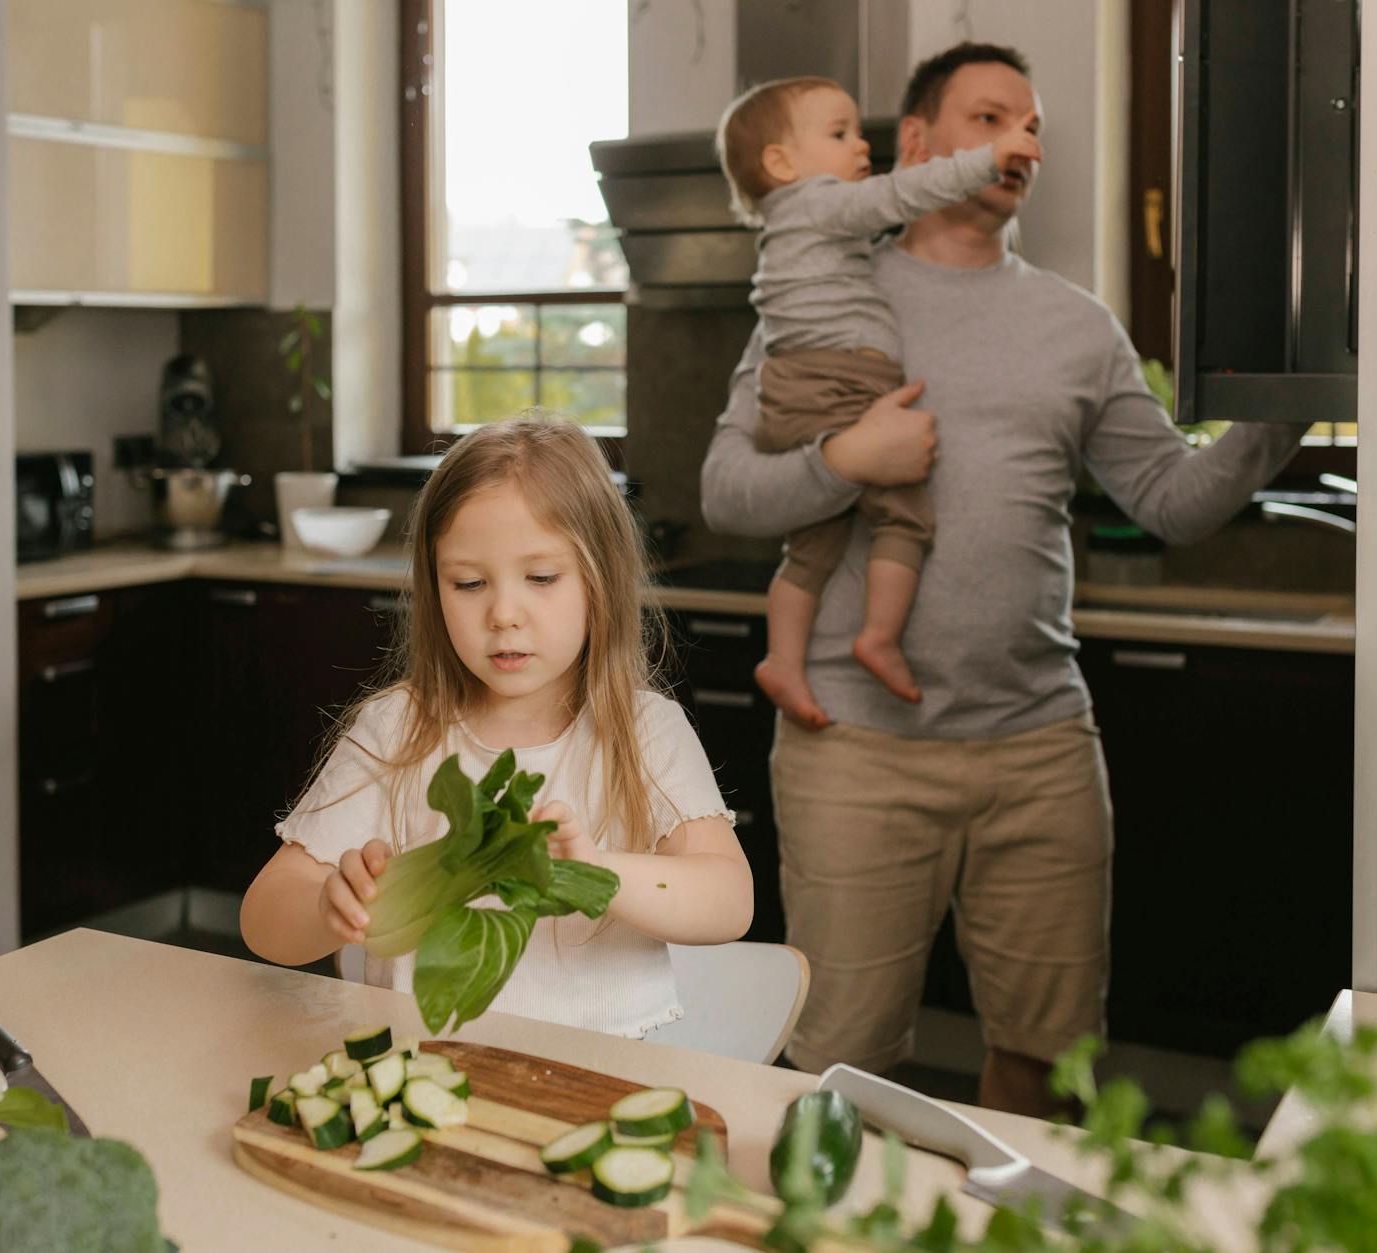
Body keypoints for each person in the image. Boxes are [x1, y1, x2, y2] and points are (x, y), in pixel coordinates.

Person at [700, 43, 1307, 1115]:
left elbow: (1169, 499)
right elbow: (725, 493)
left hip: (1039, 748)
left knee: (1049, 1064)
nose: (1019, 144)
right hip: (855, 750)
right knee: (835, 1065)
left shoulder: (1076, 326)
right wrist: (844, 461)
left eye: (1031, 127)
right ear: (918, 147)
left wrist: (1282, 406)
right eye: (990, 119)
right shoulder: (830, 288)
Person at [241, 418, 755, 1037]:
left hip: (606, 1076)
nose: (504, 614)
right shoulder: (398, 729)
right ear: (434, 588)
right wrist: (328, 907)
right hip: (426, 1068)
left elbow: (729, 901)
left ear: (601, 581)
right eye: (469, 583)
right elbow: (264, 919)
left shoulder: (644, 732)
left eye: (541, 579)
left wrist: (596, 872)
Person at [714, 75, 1041, 729]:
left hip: (799, 386)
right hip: (836, 382)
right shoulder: (821, 202)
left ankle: (783, 658)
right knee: (905, 516)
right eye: (839, 134)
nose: (862, 145)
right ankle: (880, 637)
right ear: (781, 163)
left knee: (812, 545)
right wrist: (988, 157)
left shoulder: (799, 224)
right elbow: (903, 192)